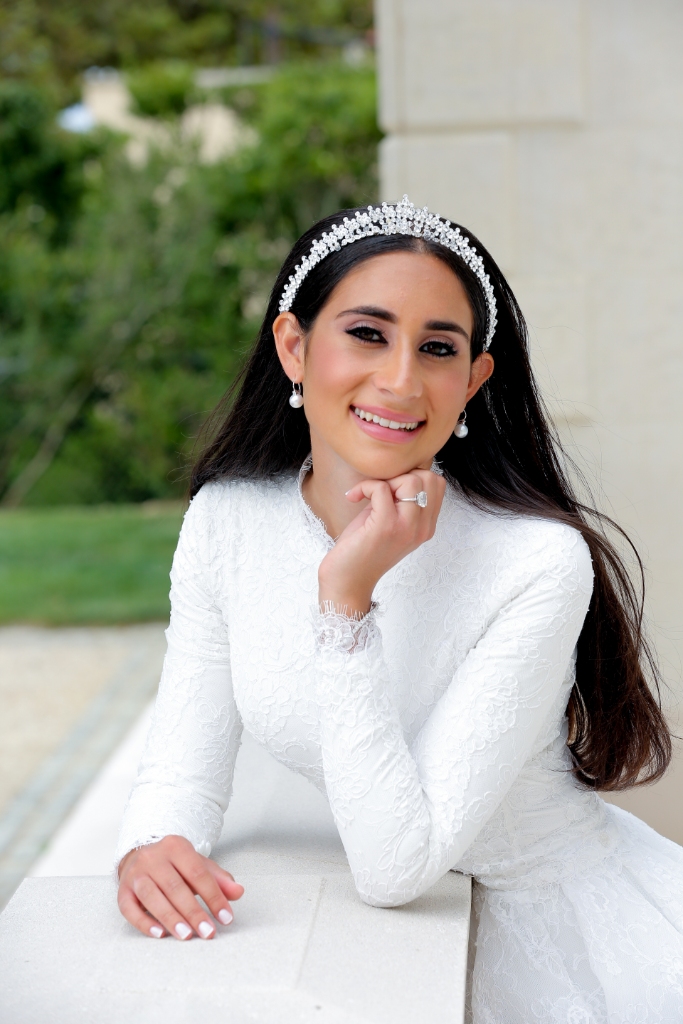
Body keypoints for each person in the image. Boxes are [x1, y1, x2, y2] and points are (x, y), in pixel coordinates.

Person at [116, 197, 682, 1022]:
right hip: (381, 953)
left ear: (473, 380)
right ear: (293, 346)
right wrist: (152, 843)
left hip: (562, 944)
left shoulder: (533, 560)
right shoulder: (227, 520)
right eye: (366, 333)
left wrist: (345, 606)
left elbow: (395, 868)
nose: (400, 380)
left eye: (438, 348)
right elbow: (182, 766)